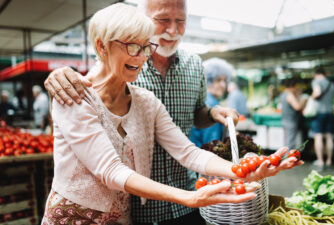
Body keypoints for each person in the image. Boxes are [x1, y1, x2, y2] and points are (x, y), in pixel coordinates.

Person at [41, 3, 303, 225]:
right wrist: (189, 197)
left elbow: (188, 152)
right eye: (133, 47)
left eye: (146, 47)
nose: (142, 57)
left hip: (120, 217)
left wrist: (243, 170)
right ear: (101, 46)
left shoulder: (145, 101)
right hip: (72, 217)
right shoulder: (73, 96)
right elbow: (110, 170)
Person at [190, 58, 231, 147]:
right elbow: (212, 142)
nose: (223, 85)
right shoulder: (211, 103)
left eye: (224, 80)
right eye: (218, 80)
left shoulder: (205, 99)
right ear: (207, 81)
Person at [310, 66, 334, 169]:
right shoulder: (331, 84)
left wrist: (311, 97)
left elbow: (317, 93)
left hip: (319, 113)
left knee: (319, 136)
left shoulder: (316, 81)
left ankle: (320, 161)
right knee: (329, 136)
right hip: (330, 113)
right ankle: (329, 160)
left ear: (316, 74)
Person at [280, 78, 306, 150]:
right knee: (290, 143)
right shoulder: (289, 95)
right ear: (292, 86)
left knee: (287, 141)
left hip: (285, 120)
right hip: (291, 121)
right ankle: (288, 159)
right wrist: (303, 100)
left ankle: (286, 157)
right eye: (295, 87)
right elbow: (297, 107)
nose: (296, 89)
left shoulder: (283, 94)